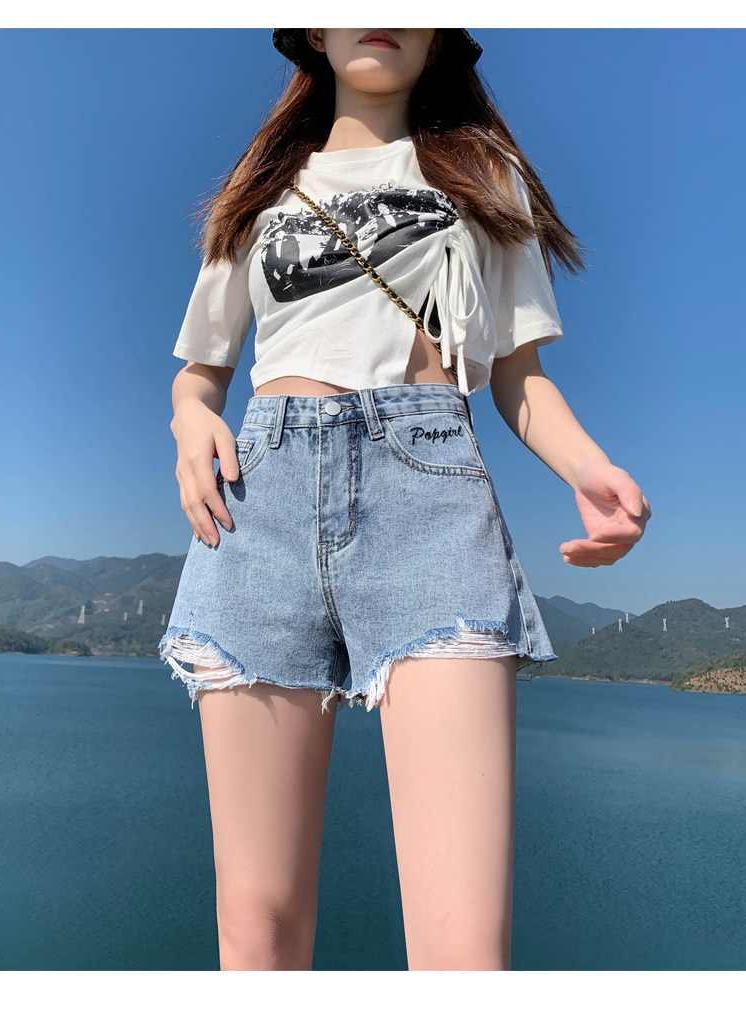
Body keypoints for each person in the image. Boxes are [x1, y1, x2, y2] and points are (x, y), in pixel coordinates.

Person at [159, 28, 651, 971]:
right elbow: (200, 369)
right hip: (257, 503)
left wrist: (590, 470)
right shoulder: (260, 191)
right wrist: (190, 424)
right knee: (257, 925)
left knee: (463, 946)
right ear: (313, 27)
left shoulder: (483, 174)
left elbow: (518, 373)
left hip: (429, 499)